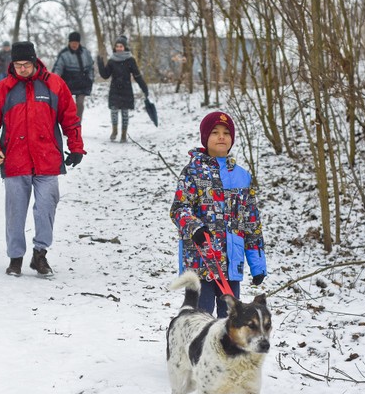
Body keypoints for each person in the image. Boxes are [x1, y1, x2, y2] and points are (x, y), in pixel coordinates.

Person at [0, 41, 85, 277]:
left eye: (26, 64)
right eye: (18, 65)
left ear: (35, 61)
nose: (23, 69)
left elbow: (70, 118)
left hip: (47, 159)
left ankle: (40, 255)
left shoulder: (53, 85)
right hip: (15, 161)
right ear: (12, 64)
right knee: (15, 212)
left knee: (46, 207)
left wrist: (76, 146)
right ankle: (15, 258)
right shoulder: (2, 90)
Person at [169, 111, 267, 317]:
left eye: (226, 133)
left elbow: (251, 224)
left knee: (229, 321)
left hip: (231, 264)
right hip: (200, 260)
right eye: (215, 132)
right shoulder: (193, 171)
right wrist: (195, 227)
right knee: (199, 317)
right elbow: (179, 208)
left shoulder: (242, 176)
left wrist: (257, 265)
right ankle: (192, 348)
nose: (221, 137)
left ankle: (224, 350)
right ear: (205, 138)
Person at [96, 35, 148, 143]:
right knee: (114, 111)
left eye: (121, 46)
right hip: (114, 89)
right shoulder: (112, 61)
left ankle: (124, 134)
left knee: (125, 112)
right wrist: (100, 64)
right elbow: (105, 75)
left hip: (126, 89)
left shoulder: (130, 60)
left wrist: (144, 88)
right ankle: (114, 131)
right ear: (115, 48)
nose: (119, 48)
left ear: (124, 47)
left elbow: (137, 76)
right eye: (117, 46)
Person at [52, 31, 94, 119]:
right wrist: (54, 80)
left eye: (76, 43)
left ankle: (77, 124)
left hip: (82, 84)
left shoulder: (85, 53)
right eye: (72, 43)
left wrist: (90, 79)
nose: (74, 45)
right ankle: (69, 124)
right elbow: (58, 68)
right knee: (68, 106)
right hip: (68, 84)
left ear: (79, 43)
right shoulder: (64, 54)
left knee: (80, 104)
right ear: (69, 43)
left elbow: (90, 67)